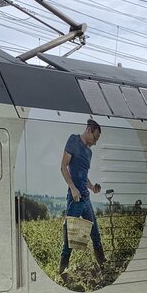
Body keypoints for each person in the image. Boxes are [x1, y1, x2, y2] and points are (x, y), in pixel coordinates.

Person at [59, 119, 106, 277]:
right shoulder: (73, 140)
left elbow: (83, 176)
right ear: (89, 130)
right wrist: (73, 188)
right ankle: (62, 273)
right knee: (70, 240)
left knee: (95, 235)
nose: (95, 142)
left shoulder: (89, 152)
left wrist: (92, 187)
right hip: (75, 199)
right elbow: (63, 166)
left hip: (86, 200)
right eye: (96, 137)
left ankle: (105, 268)